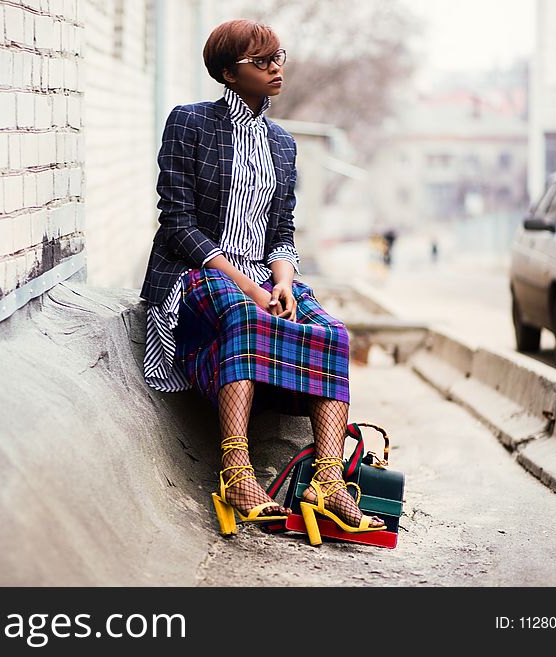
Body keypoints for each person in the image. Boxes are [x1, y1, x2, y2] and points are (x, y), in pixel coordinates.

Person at [139, 19, 385, 540]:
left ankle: (327, 481)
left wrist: (284, 281)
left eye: (279, 56)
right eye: (261, 61)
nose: (277, 68)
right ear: (228, 73)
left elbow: (282, 232)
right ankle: (236, 471)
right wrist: (250, 288)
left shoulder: (283, 143)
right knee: (247, 318)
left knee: (334, 335)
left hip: (260, 274)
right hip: (200, 270)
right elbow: (177, 225)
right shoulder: (190, 123)